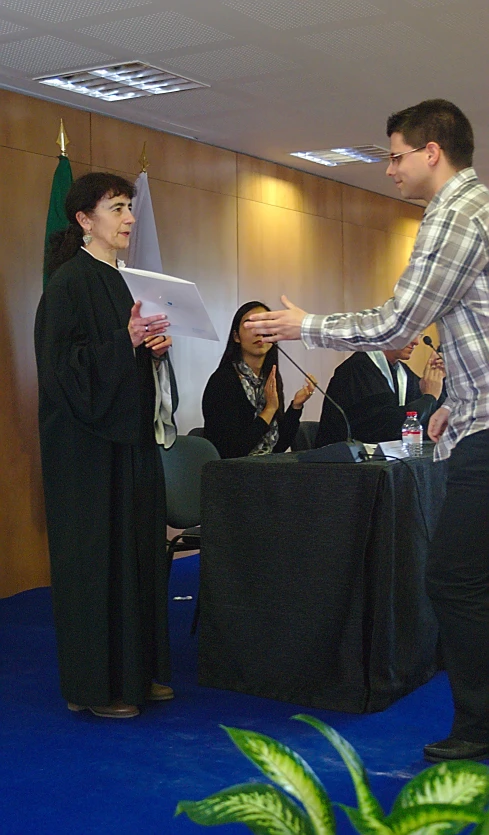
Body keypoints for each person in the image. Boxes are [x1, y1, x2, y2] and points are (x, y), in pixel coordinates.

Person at [246, 100, 489, 762]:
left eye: (395, 155)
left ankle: (479, 725)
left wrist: (305, 325)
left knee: (455, 578)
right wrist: (456, 402)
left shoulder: (455, 214)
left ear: (431, 152)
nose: (388, 169)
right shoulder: (474, 209)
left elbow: (397, 324)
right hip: (476, 420)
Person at [35, 172, 178, 719]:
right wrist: (126, 342)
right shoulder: (68, 284)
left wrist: (153, 351)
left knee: (136, 557)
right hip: (87, 454)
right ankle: (95, 688)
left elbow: (128, 362)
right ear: (83, 219)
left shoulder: (126, 282)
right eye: (117, 207)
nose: (129, 218)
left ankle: (138, 675)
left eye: (129, 207)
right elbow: (62, 373)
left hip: (130, 443)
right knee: (98, 565)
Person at [202, 301, 315, 459]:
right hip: (233, 473)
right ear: (236, 337)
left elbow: (279, 446)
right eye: (251, 325)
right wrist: (269, 410)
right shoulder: (223, 380)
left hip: (266, 467)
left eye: (265, 326)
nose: (259, 333)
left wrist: (296, 406)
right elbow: (232, 451)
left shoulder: (269, 378)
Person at [315, 337, 445, 447]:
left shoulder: (403, 372)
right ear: (387, 333)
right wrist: (429, 397)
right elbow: (388, 426)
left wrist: (439, 378)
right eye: (410, 334)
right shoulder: (358, 369)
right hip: (342, 468)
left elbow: (430, 419)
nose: (416, 342)